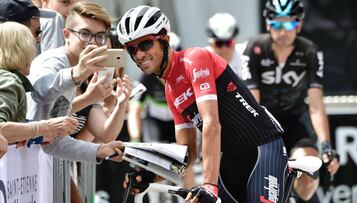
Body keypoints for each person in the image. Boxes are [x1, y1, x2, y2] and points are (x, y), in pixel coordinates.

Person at [118, 5, 288, 203]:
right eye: (132, 49)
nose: (139, 55)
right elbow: (187, 153)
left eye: (145, 44)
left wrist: (208, 184)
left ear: (165, 39)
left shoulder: (194, 59)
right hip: (229, 162)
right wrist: (152, 175)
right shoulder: (171, 89)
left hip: (262, 149)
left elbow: (211, 122)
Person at [240, 0, 340, 202]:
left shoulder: (310, 51)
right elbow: (253, 102)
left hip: (295, 118)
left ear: (300, 25)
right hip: (264, 121)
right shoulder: (254, 48)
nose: (283, 30)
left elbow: (316, 105)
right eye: (277, 23)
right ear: (268, 24)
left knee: (308, 175)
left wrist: (326, 146)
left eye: (289, 24)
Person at [26, 1, 124, 163]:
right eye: (84, 33)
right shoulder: (54, 61)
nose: (92, 42)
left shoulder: (74, 68)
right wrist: (76, 74)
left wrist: (99, 150)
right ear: (66, 35)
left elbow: (54, 141)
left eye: (100, 36)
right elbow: (40, 93)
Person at [0, 22, 78, 146]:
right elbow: (1, 129)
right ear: (22, 51)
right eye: (33, 45)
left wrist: (36, 135)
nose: (34, 53)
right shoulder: (9, 81)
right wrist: (43, 127)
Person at [205, 12, 249, 80]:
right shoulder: (202, 59)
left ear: (235, 41)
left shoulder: (246, 54)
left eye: (228, 43)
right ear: (210, 44)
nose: (224, 49)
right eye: (219, 44)